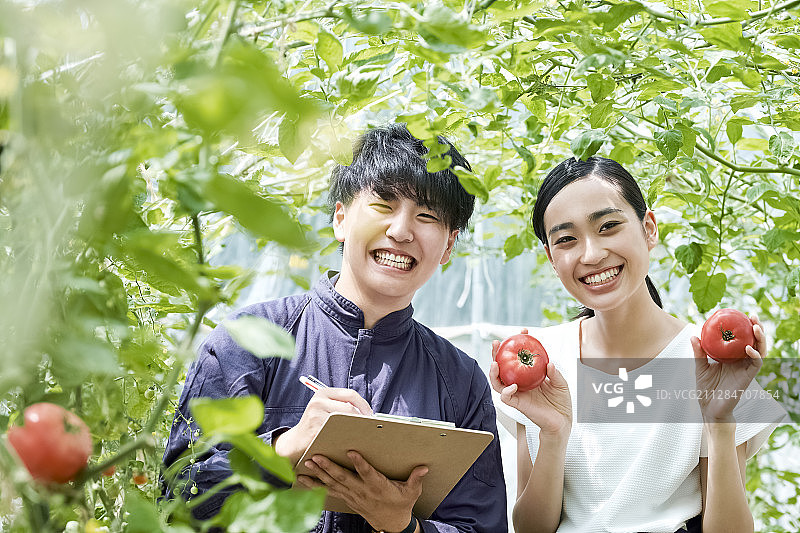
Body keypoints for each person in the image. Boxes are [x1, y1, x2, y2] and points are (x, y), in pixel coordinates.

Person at [162, 124, 508, 533]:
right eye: (383, 205)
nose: (400, 231)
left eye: (426, 216)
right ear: (341, 218)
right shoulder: (248, 341)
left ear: (448, 246)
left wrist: (402, 526)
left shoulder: (460, 380)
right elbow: (177, 503)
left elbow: (480, 526)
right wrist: (285, 449)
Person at [490, 156, 787, 533]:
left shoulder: (714, 364)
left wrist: (720, 422)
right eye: (566, 239)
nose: (591, 254)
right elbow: (531, 529)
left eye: (609, 226)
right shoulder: (540, 362)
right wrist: (552, 435)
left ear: (649, 228)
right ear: (551, 257)